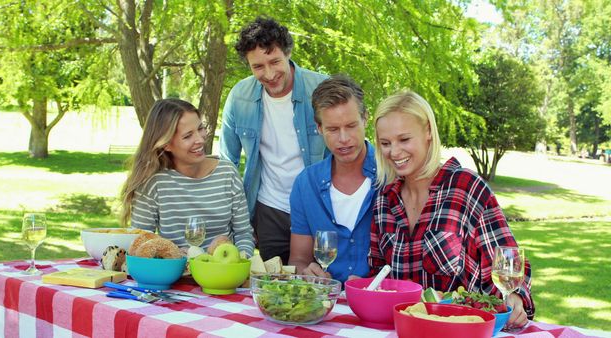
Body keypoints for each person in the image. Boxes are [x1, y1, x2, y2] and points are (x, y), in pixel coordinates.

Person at [369, 91, 534, 328]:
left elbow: (507, 261)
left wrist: (515, 297)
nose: (394, 152)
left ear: (428, 132)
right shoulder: (384, 200)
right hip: (403, 330)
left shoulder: (467, 188)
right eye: (385, 143)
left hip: (462, 329)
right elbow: (379, 274)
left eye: (404, 140)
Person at [219, 17, 328, 263]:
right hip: (269, 210)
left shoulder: (321, 89)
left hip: (318, 208)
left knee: (320, 285)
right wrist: (239, 220)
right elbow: (228, 163)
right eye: (258, 66)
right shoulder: (239, 97)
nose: (269, 74)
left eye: (274, 62)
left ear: (287, 53)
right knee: (276, 290)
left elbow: (347, 149)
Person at [120, 99, 254, 257]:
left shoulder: (227, 173)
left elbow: (244, 234)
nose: (200, 139)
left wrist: (240, 261)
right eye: (188, 136)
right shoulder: (152, 183)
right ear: (166, 144)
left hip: (224, 276)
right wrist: (174, 257)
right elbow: (139, 243)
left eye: (200, 128)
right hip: (174, 275)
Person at [288, 75, 376, 283]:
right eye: (333, 129)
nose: (344, 138)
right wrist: (305, 272)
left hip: (381, 304)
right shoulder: (305, 184)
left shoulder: (391, 176)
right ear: (319, 128)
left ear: (365, 119)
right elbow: (298, 259)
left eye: (351, 125)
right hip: (325, 304)